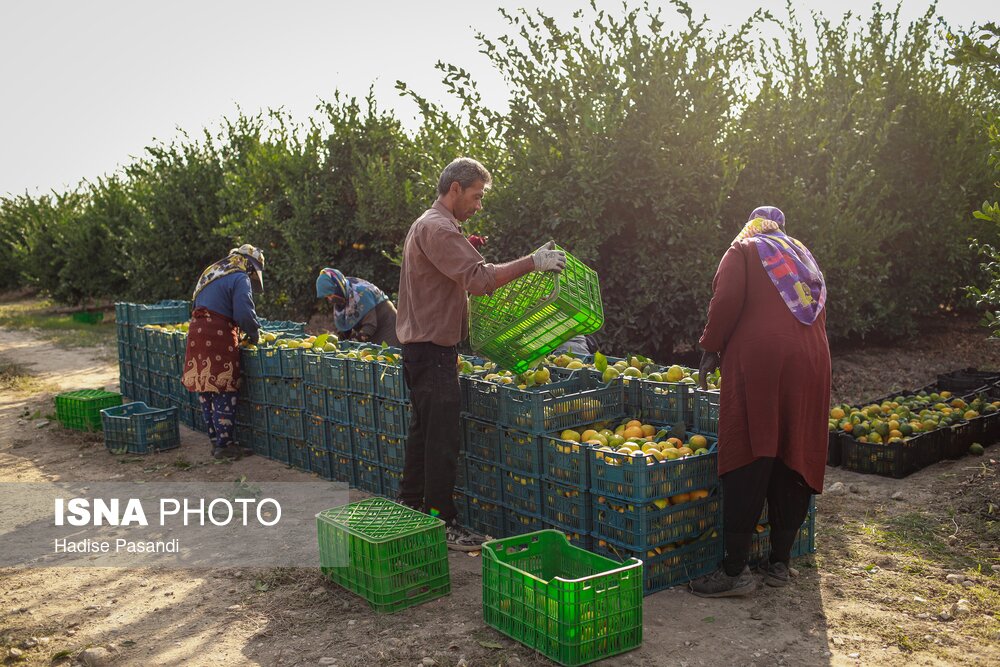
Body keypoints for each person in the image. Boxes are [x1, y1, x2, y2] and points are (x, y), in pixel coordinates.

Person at [395, 157, 566, 551]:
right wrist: (533, 262)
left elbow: (446, 271)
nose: (479, 205)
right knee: (441, 439)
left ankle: (410, 504)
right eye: (476, 196)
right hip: (432, 352)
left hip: (421, 350)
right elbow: (481, 280)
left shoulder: (432, 224)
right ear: (455, 189)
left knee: (424, 432)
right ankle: (442, 521)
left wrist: (465, 249)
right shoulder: (438, 229)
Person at [689, 206, 830, 597]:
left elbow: (727, 298)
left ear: (750, 227)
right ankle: (779, 564)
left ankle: (735, 571)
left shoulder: (744, 250)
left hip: (761, 362)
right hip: (813, 363)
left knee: (751, 448)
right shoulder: (803, 257)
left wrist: (710, 347)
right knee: (793, 447)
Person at [181, 244, 265, 460]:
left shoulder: (213, 271)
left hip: (197, 330)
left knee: (206, 386)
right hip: (217, 332)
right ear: (249, 264)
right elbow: (244, 312)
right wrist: (254, 334)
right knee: (225, 386)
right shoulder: (239, 277)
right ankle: (225, 445)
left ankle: (215, 440)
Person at [315, 268, 400, 346]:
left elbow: (369, 326)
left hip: (386, 324)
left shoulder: (360, 293)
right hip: (371, 329)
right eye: (327, 297)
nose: (330, 299)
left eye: (330, 295)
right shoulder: (343, 296)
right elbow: (345, 327)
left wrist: (352, 343)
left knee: (388, 356)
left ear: (337, 287)